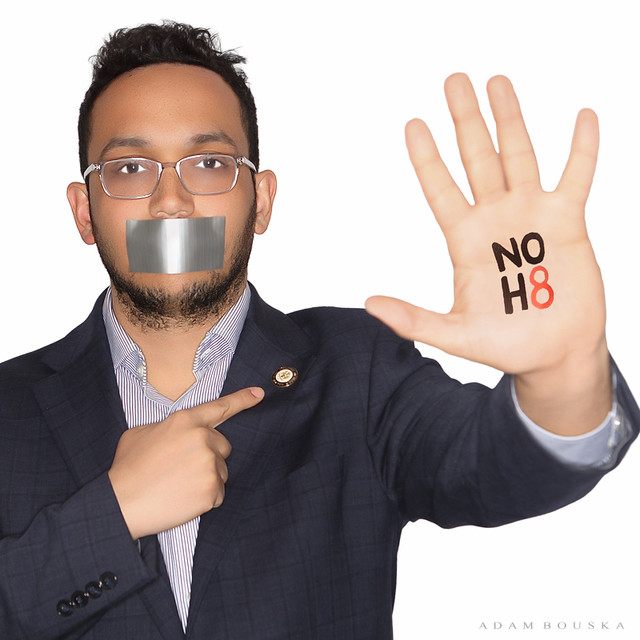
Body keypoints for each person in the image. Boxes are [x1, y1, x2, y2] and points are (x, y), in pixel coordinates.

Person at [0, 20, 637, 640]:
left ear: (262, 200)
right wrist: (111, 517)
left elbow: (495, 468)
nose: (172, 202)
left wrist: (563, 375)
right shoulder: (8, 406)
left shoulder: (358, 370)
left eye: (210, 163)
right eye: (131, 169)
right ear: (84, 212)